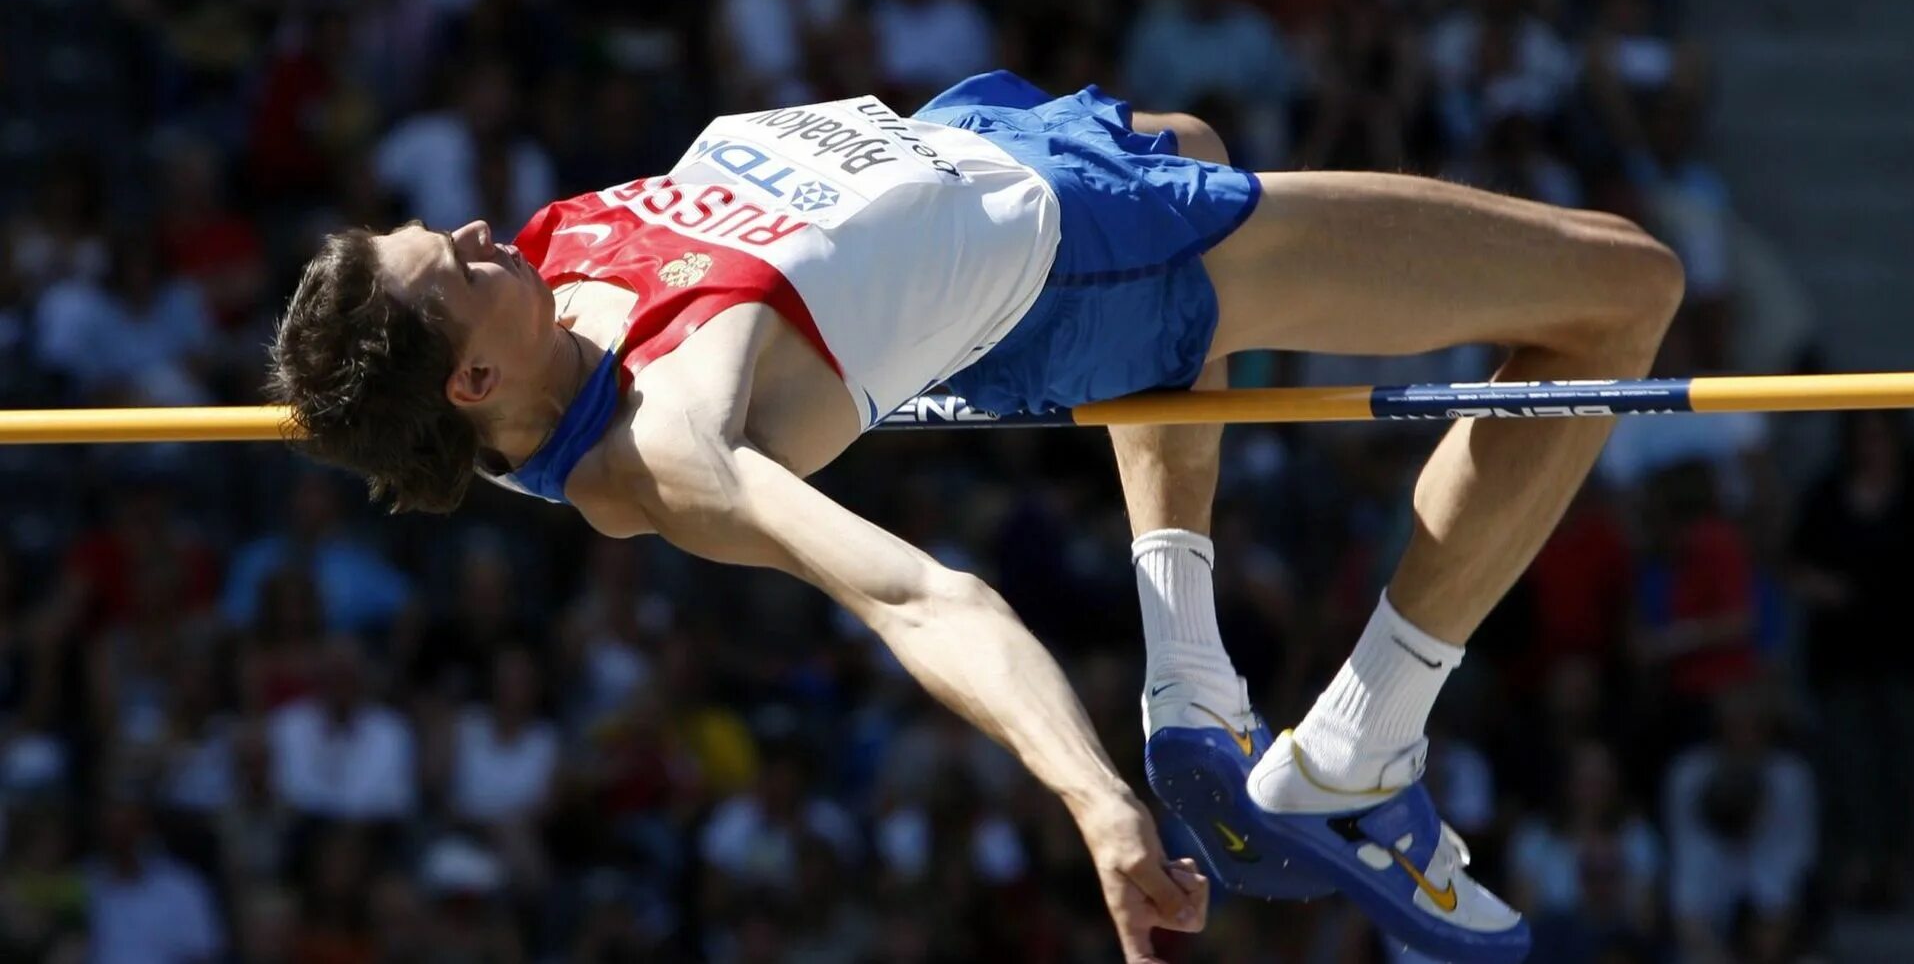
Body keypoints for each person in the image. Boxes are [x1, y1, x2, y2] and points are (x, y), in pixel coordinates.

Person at [269, 69, 1681, 962]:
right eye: (451, 269)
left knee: (1180, 118)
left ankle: (1194, 682)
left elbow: (389, 407)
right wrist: (1096, 810)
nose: (471, 232)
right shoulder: (675, 449)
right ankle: (1365, 742)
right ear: (473, 375)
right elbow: (923, 602)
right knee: (1621, 292)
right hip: (1089, 257)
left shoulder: (539, 298)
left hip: (972, 140)